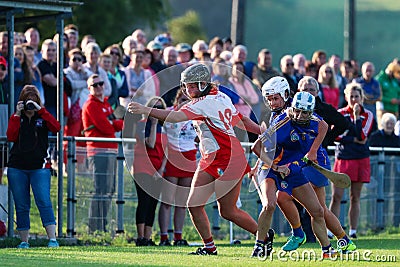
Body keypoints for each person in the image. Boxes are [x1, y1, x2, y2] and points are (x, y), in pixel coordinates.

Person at [128, 63, 261, 255]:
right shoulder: (221, 96)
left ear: (202, 84)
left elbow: (173, 117)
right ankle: (209, 247)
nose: (188, 90)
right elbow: (242, 121)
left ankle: (263, 235)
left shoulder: (202, 103)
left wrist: (145, 109)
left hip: (227, 159)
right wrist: (262, 130)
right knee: (193, 204)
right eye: (186, 86)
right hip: (211, 157)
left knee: (228, 211)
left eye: (191, 86)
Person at [251, 90, 338, 258]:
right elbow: (256, 147)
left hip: (292, 169)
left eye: (304, 112)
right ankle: (259, 246)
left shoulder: (315, 120)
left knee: (318, 211)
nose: (299, 115)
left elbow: (324, 127)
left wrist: (313, 151)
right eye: (296, 110)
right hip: (270, 167)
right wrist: (276, 168)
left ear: (311, 112)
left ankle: (327, 251)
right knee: (269, 204)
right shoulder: (281, 122)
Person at [280, 76, 356, 252]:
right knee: (316, 208)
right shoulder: (292, 109)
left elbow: (324, 126)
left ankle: (302, 235)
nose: (307, 93)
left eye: (311, 90)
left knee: (312, 207)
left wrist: (314, 150)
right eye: (304, 89)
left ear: (317, 92)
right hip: (300, 162)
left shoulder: (312, 112)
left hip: (315, 162)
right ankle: (342, 241)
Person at [6, 85, 61, 248]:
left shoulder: (43, 117)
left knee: (43, 200)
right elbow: (11, 136)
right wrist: (17, 114)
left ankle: (52, 239)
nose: (30, 104)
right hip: (17, 167)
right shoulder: (17, 117)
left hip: (40, 167)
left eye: (33, 99)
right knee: (21, 204)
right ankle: (24, 240)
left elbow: (56, 127)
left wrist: (41, 110)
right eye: (27, 100)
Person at [329, 82, 374, 239]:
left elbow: (362, 137)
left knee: (355, 197)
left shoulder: (367, 114)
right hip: (343, 158)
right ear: (346, 97)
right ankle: (330, 230)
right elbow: (336, 136)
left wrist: (355, 118)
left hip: (361, 158)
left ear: (361, 98)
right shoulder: (340, 113)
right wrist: (351, 136)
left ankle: (353, 231)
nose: (354, 100)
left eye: (357, 96)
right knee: (337, 196)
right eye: (351, 96)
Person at [82, 74, 123, 233]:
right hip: (98, 151)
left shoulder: (105, 104)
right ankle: (94, 226)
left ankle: (102, 224)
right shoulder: (91, 105)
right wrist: (114, 123)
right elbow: (106, 127)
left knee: (109, 189)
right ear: (89, 89)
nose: (99, 87)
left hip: (110, 150)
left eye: (101, 84)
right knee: (100, 188)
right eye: (95, 85)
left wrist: (113, 123)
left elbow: (116, 125)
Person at [158, 90, 197, 246]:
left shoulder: (195, 115)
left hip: (189, 157)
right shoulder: (169, 113)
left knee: (182, 203)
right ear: (176, 100)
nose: (184, 102)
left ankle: (178, 237)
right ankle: (163, 237)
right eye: (182, 99)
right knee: (167, 201)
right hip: (173, 156)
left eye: (187, 100)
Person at [132, 96, 167, 246]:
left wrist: (161, 169)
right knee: (144, 202)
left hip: (158, 169)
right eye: (153, 108)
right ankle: (140, 237)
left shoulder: (164, 128)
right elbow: (151, 144)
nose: (156, 111)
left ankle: (148, 237)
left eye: (159, 108)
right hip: (142, 167)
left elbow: (166, 151)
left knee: (153, 203)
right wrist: (152, 124)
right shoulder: (141, 125)